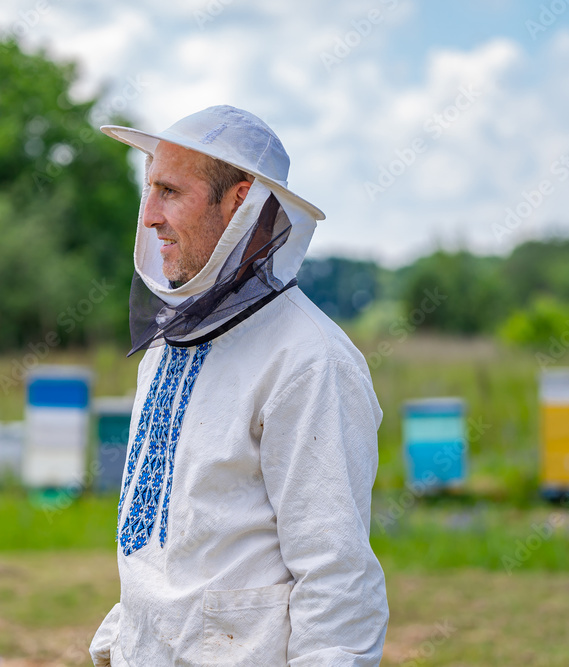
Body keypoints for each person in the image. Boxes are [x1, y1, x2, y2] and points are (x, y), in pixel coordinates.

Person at [89, 105, 388, 666]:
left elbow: (337, 578)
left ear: (239, 201)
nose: (149, 215)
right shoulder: (163, 348)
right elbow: (172, 545)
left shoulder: (309, 362)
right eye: (148, 190)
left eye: (171, 191)